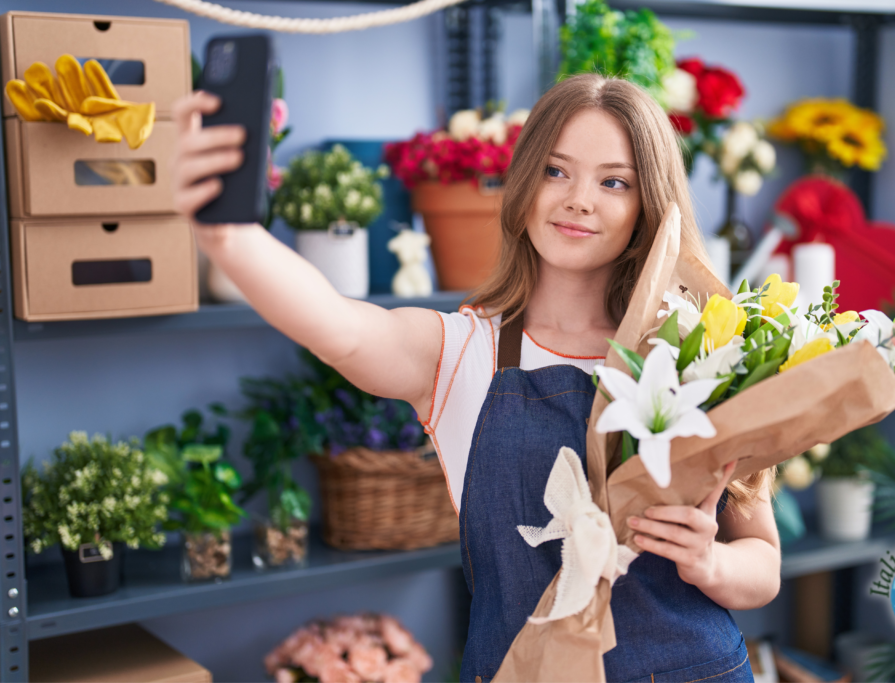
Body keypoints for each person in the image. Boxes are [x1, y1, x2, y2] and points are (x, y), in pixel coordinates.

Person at [172, 72, 781, 682]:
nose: (579, 200)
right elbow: (341, 328)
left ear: (648, 205)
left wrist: (709, 562)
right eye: (555, 170)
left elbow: (763, 564)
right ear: (523, 183)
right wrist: (229, 235)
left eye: (613, 182)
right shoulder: (463, 353)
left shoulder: (694, 348)